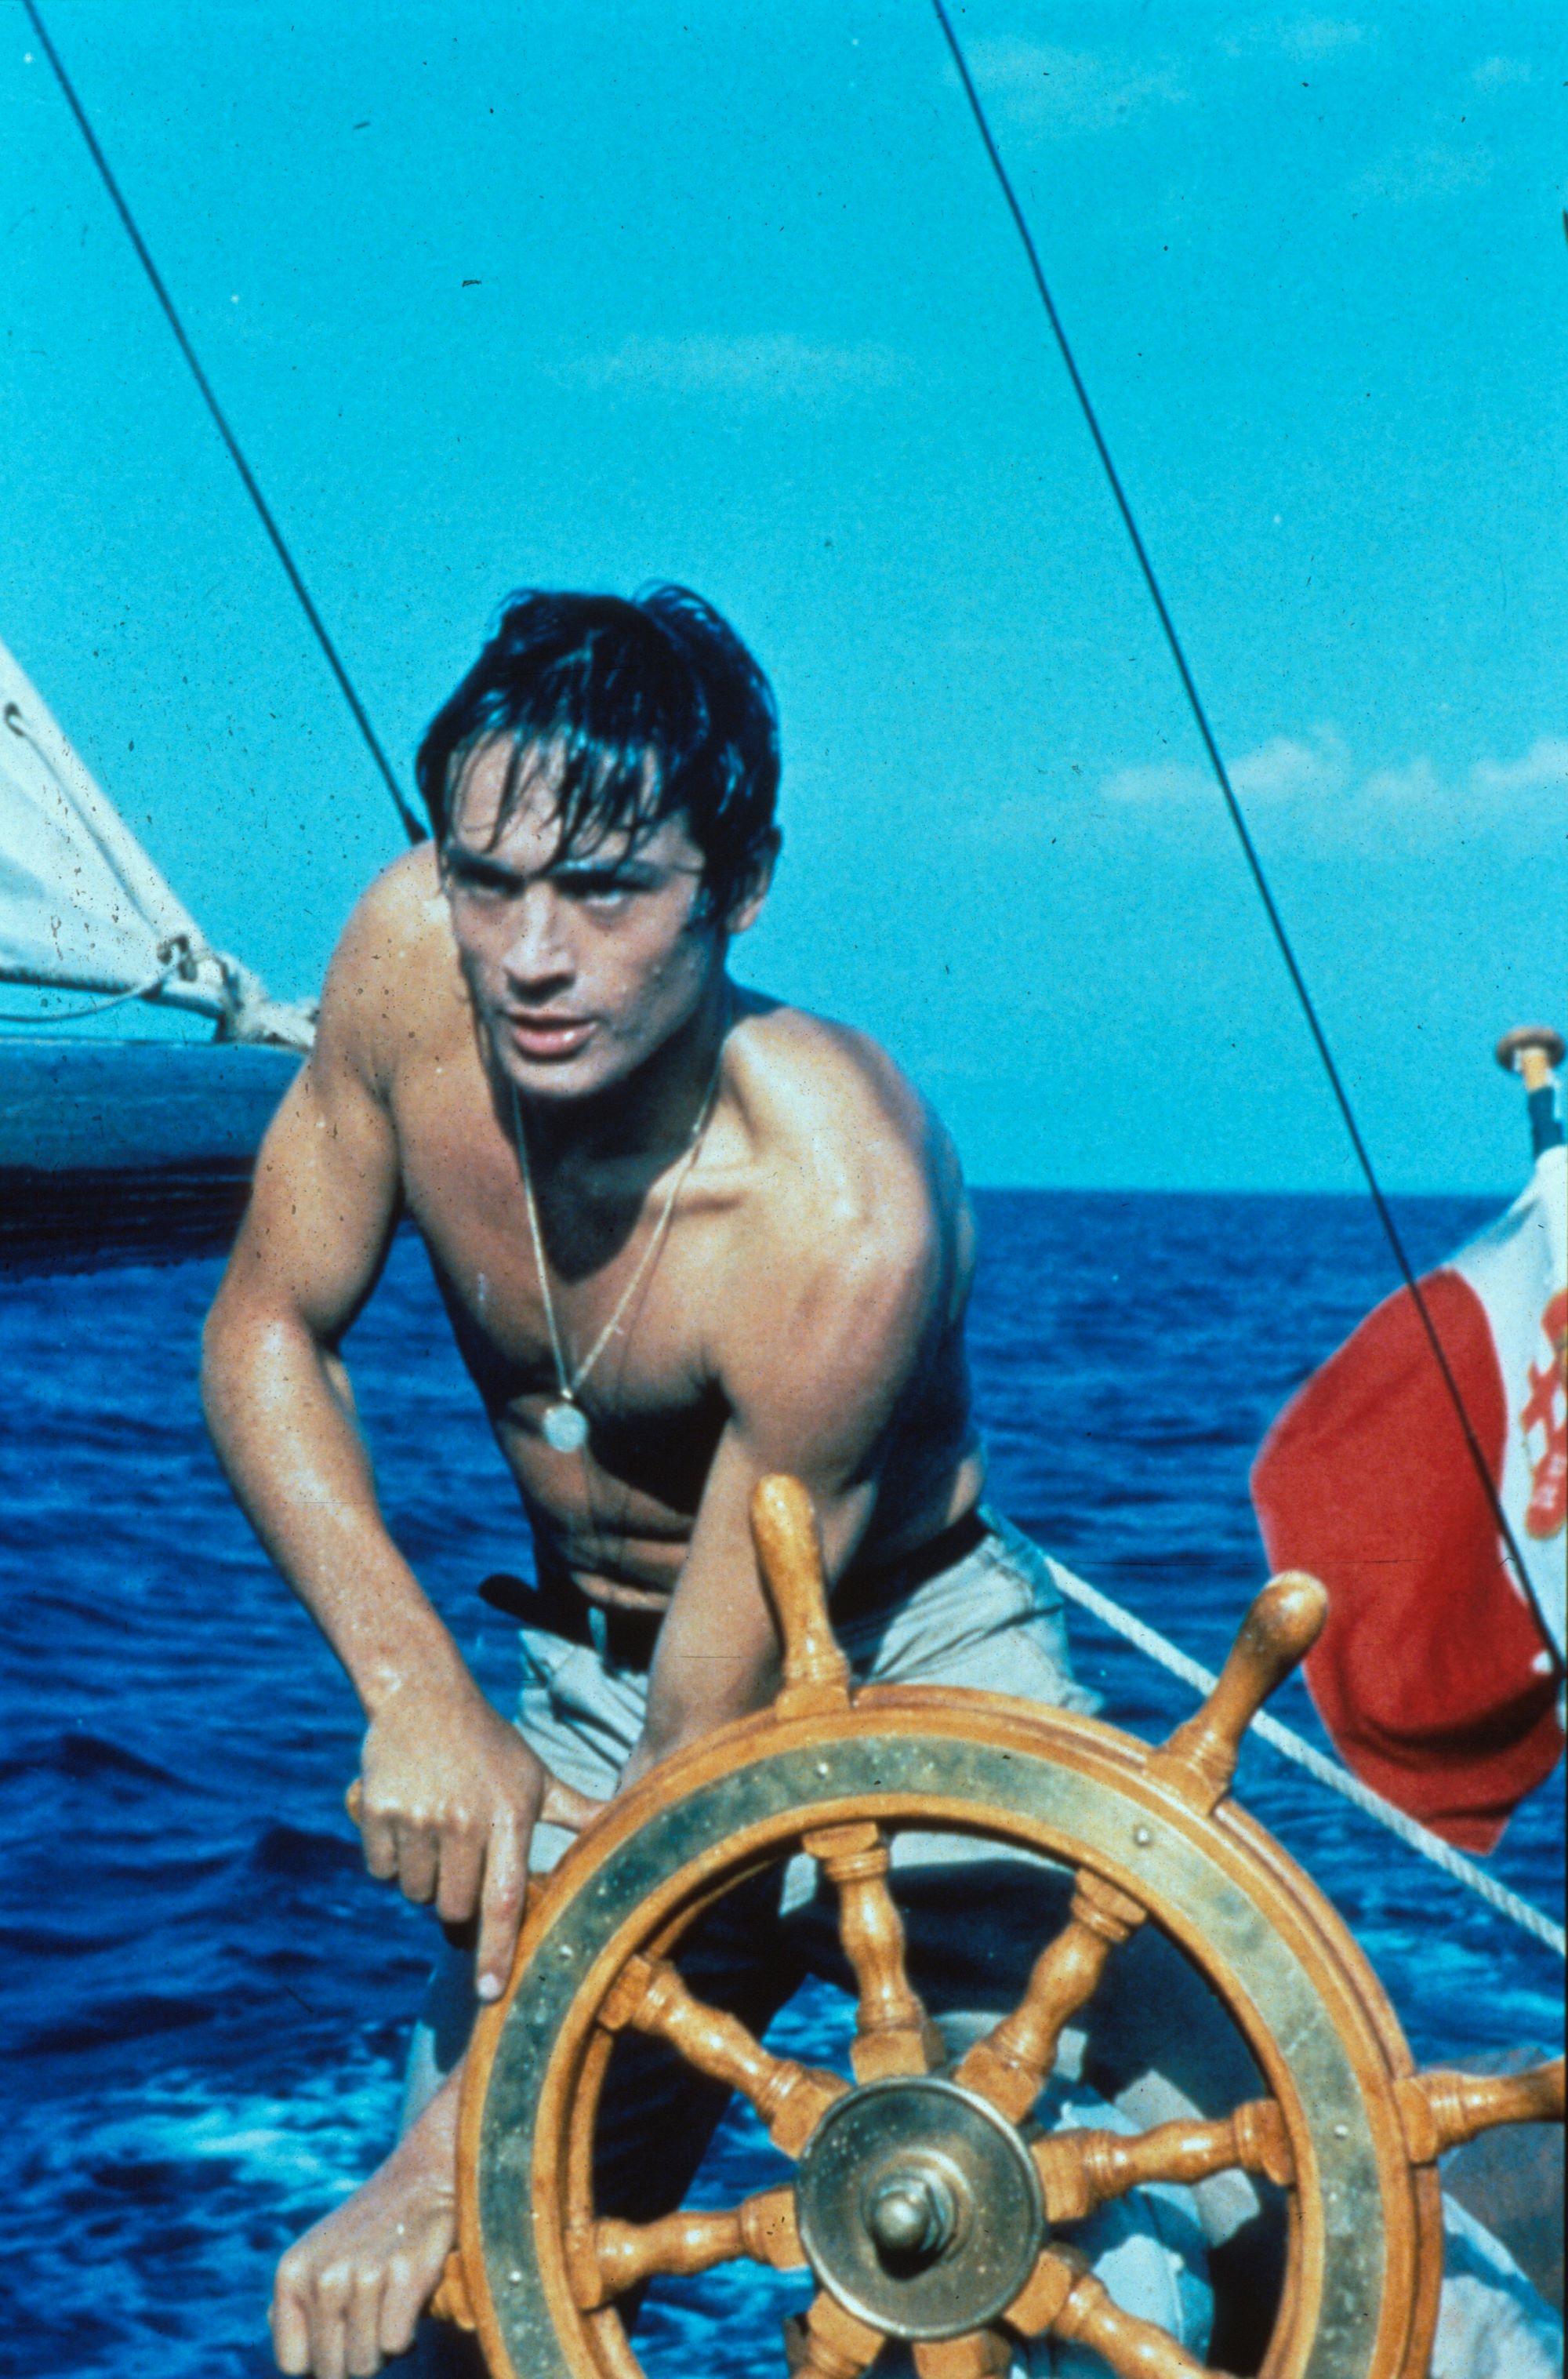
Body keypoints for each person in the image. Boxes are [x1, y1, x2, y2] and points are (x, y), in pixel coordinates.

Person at [201, 587, 1562, 2379]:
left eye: (607, 890)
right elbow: (267, 1328)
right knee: (436, 2319)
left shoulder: (841, 1204)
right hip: (595, 1685)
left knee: (1236, 2231)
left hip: (911, 1660)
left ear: (740, 884)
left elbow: (698, 1767)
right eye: (487, 877)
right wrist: (414, 1690)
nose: (531, 953)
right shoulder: (406, 963)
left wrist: (440, 2151)